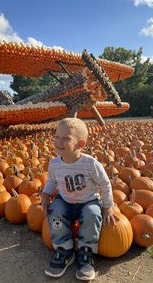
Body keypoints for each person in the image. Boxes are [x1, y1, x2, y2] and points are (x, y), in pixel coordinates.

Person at [41, 117, 115, 281]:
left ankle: (85, 253)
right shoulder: (54, 164)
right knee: (54, 213)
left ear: (80, 144)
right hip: (65, 200)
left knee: (93, 215)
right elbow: (52, 181)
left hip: (88, 200)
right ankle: (64, 251)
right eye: (57, 137)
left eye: (66, 138)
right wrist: (46, 194)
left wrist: (108, 206)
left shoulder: (90, 164)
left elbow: (105, 184)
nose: (59, 142)